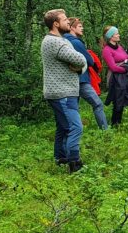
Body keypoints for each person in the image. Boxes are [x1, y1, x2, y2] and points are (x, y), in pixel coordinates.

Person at [41, 9, 87, 173]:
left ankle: (60, 158)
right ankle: (75, 163)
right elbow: (81, 59)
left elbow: (79, 63)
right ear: (55, 24)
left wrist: (77, 67)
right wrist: (78, 66)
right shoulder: (56, 42)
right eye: (65, 19)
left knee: (62, 126)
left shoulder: (56, 40)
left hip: (61, 91)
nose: (68, 21)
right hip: (63, 93)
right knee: (75, 127)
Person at [64, 17, 108, 131]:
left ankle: (73, 130)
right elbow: (89, 60)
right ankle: (105, 131)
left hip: (69, 80)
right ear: (72, 28)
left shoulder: (63, 41)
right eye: (79, 26)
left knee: (73, 107)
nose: (82, 28)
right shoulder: (76, 42)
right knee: (97, 104)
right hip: (81, 80)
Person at [102, 26, 128, 126]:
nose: (118, 35)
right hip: (115, 79)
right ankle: (116, 124)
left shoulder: (119, 47)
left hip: (125, 78)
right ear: (111, 36)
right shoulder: (107, 50)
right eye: (116, 33)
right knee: (118, 102)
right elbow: (113, 67)